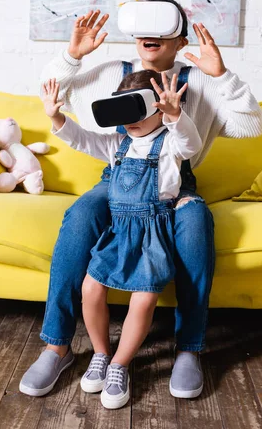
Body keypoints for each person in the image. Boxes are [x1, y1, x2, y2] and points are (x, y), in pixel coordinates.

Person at [19, 0, 262, 400]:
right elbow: (55, 97)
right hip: (117, 176)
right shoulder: (113, 74)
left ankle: (188, 349)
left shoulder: (197, 80)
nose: (149, 36)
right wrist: (72, 56)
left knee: (196, 225)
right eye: (142, 29)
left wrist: (220, 76)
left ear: (179, 38)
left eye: (161, 29)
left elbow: (251, 126)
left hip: (173, 180)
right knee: (80, 218)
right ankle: (57, 346)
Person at [41, 70, 202, 409]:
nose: (130, 123)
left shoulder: (171, 144)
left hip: (153, 233)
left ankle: (119, 365)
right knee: (90, 288)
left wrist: (176, 116)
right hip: (118, 231)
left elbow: (191, 143)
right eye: (123, 115)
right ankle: (101, 354)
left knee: (143, 300)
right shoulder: (118, 145)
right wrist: (56, 117)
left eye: (137, 114)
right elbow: (82, 139)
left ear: (158, 109)